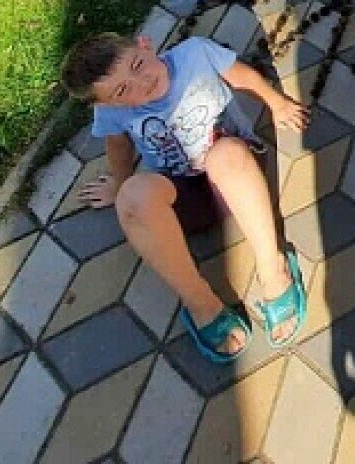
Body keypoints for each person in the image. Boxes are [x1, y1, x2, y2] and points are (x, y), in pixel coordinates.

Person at [61, 33, 310, 363]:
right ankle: (200, 303)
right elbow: (118, 147)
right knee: (131, 197)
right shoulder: (110, 114)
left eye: (137, 65)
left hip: (238, 172)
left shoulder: (194, 54)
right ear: (107, 104)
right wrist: (119, 185)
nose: (142, 82)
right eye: (122, 91)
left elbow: (242, 76)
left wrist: (276, 103)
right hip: (184, 198)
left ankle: (273, 268)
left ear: (145, 44)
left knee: (224, 155)